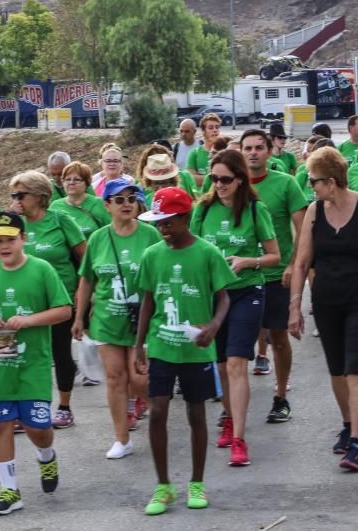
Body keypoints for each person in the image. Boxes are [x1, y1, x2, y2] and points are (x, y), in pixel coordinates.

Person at [288, 147, 358, 472]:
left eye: (314, 181)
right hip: (327, 300)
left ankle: (357, 442)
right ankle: (347, 422)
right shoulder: (314, 211)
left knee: (355, 367)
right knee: (337, 369)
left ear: (332, 181)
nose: (311, 187)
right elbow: (302, 262)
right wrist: (295, 306)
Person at [0, 211, 72, 515]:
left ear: (23, 239)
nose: (4, 246)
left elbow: (64, 309)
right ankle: (9, 491)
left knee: (36, 427)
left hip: (32, 365)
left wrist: (29, 320)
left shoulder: (42, 270)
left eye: (10, 239)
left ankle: (46, 455)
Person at [135, 188, 235, 515]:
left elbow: (223, 297)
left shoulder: (207, 253)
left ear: (184, 218)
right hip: (162, 344)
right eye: (158, 223)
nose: (162, 228)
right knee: (159, 411)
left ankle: (197, 481)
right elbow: (148, 301)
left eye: (167, 222)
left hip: (196, 348)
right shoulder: (152, 255)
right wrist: (140, 346)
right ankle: (163, 486)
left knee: (196, 412)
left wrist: (214, 326)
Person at [190, 150, 280, 466]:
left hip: (247, 292)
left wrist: (248, 261)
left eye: (225, 179)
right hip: (214, 296)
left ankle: (240, 439)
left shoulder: (256, 210)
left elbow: (274, 256)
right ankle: (228, 417)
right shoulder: (202, 210)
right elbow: (192, 249)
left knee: (237, 361)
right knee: (222, 366)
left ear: (239, 179)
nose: (218, 184)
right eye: (214, 179)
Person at [73, 179, 161, 459]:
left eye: (131, 199)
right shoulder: (99, 238)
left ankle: (156, 418)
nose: (126, 204)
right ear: (107, 205)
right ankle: (121, 438)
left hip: (143, 321)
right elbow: (87, 280)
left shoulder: (150, 235)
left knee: (139, 380)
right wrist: (79, 317)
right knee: (114, 378)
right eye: (119, 200)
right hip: (106, 319)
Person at [8, 171, 87, 426]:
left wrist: (83, 293)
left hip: (58, 301)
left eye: (21, 195)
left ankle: (64, 407)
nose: (16, 200)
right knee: (22, 355)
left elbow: (85, 258)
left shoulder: (60, 220)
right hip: (21, 302)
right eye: (13, 195)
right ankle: (24, 408)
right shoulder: (13, 225)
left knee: (60, 353)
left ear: (40, 196)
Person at [239, 130, 307, 422]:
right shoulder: (232, 187)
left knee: (278, 337)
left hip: (277, 275)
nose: (253, 153)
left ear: (269, 152)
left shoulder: (286, 184)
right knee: (239, 343)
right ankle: (233, 406)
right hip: (242, 277)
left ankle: (281, 397)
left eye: (258, 147)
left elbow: (304, 232)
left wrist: (294, 265)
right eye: (247, 148)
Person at [49, 161, 111, 238]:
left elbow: (111, 231)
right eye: (67, 179)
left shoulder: (99, 204)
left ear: (87, 182)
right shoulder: (55, 206)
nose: (71, 182)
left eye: (77, 179)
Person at [186, 113, 222, 186]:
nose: (215, 130)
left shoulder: (225, 151)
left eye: (217, 127)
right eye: (211, 128)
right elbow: (191, 179)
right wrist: (218, 178)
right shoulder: (194, 153)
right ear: (203, 131)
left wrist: (201, 178)